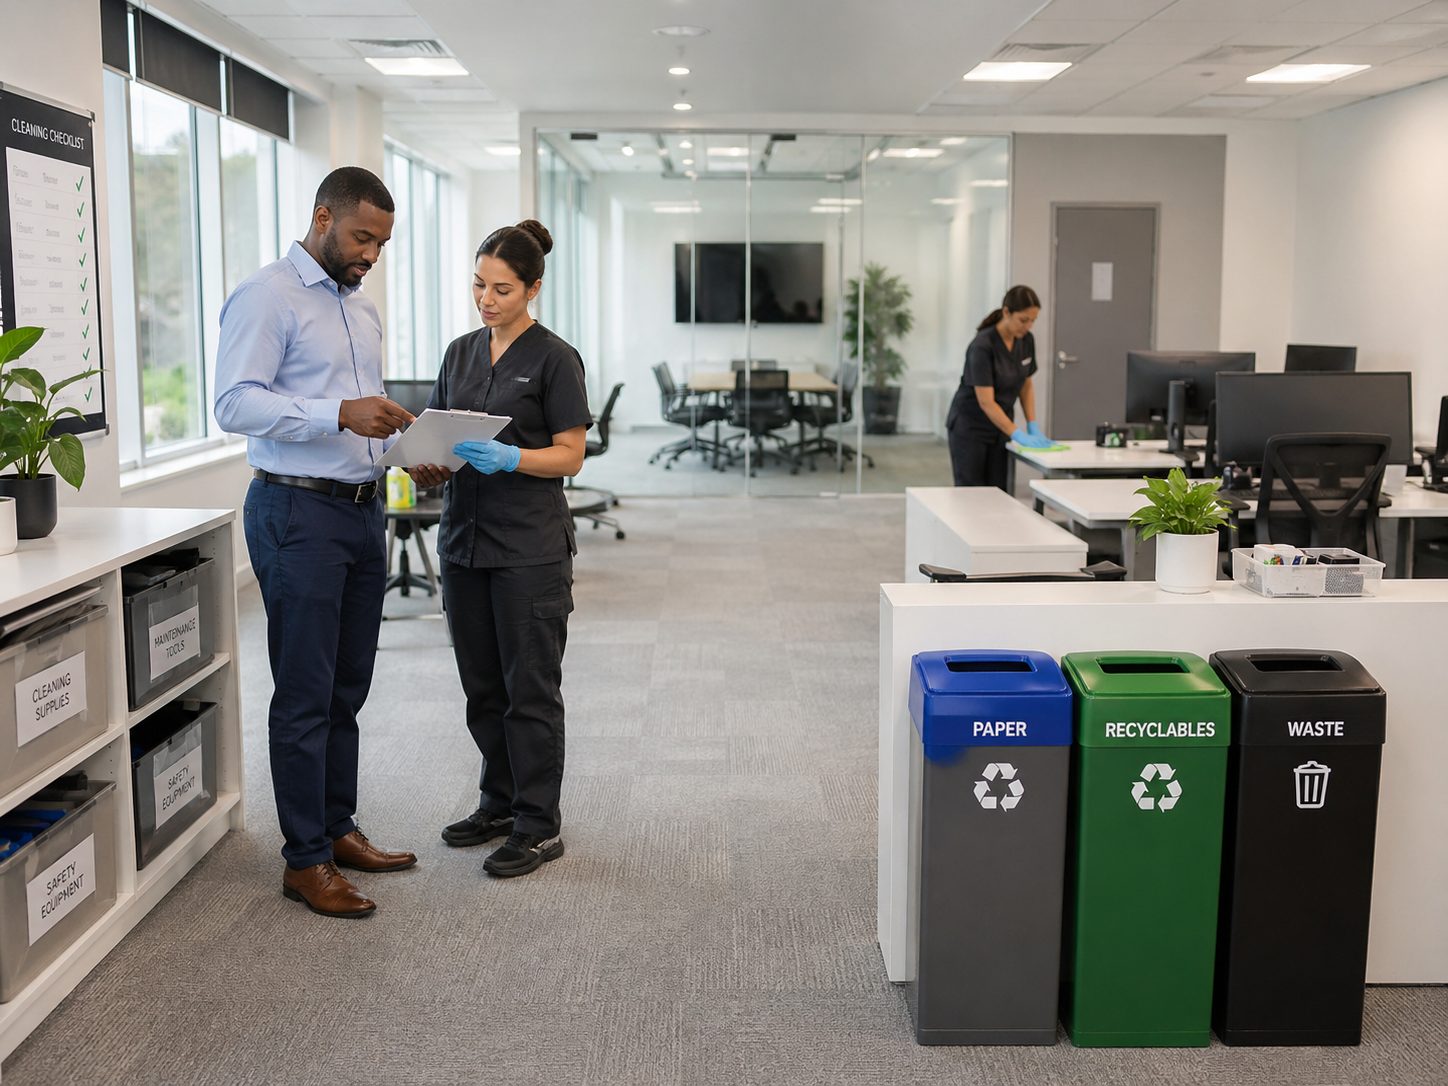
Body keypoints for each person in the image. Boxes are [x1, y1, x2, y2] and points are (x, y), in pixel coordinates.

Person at [215, 166, 419, 919]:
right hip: (296, 515)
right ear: (323, 216)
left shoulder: (358, 307)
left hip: (362, 512)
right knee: (304, 691)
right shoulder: (267, 294)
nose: (371, 254)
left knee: (346, 686)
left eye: (383, 243)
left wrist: (404, 447)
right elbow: (235, 402)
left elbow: (361, 418)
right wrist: (338, 414)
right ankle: (304, 860)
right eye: (363, 236)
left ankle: (336, 828)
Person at [407, 220, 591, 879]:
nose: (486, 299)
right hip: (463, 543)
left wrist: (514, 456)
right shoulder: (459, 353)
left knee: (529, 690)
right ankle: (499, 803)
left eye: (502, 289)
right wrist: (426, 464)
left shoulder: (554, 358)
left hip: (529, 551)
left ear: (533, 288)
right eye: (479, 285)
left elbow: (572, 452)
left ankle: (539, 825)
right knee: (482, 688)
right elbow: (437, 430)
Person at [946, 284, 1056, 490]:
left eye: (1033, 320)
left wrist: (1032, 424)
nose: (1028, 326)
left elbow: (1026, 384)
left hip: (1000, 426)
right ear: (1007, 312)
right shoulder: (982, 346)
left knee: (1000, 493)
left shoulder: (1025, 340)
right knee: (972, 495)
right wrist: (1017, 433)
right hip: (971, 427)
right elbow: (986, 402)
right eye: (1024, 320)